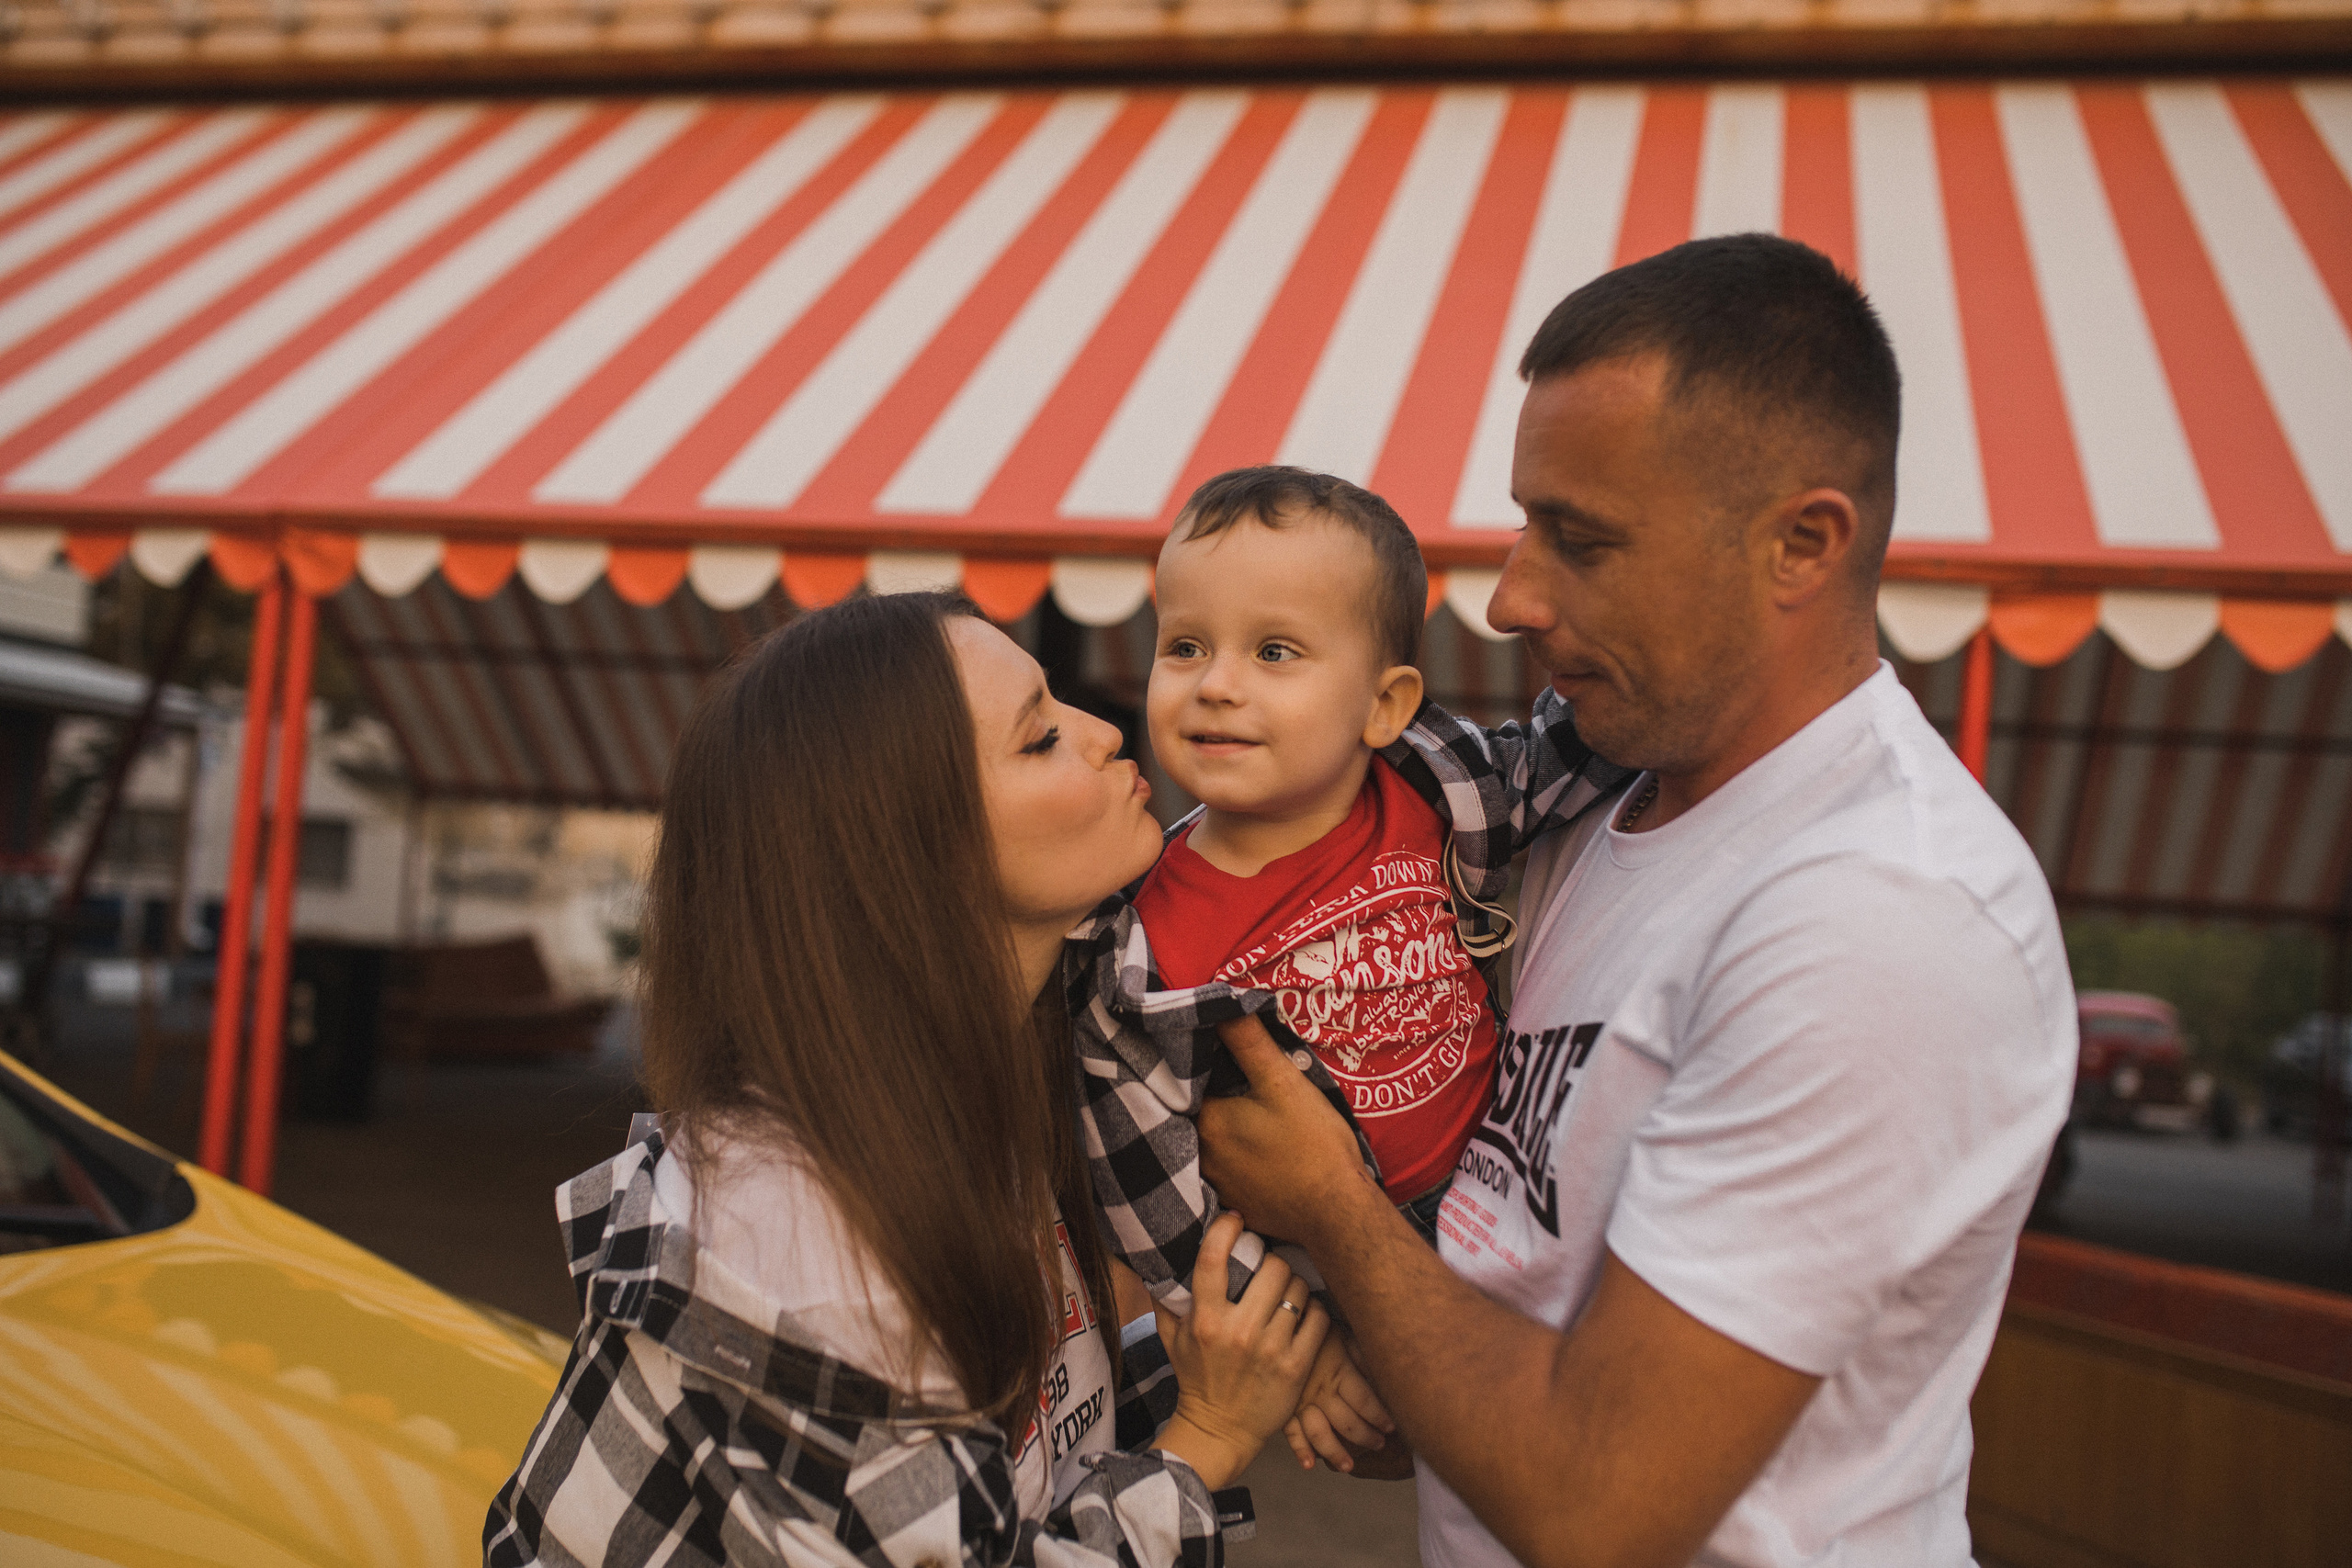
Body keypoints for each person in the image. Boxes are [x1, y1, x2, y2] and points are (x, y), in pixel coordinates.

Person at [1195, 233, 2077, 1568]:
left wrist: (1335, 1211)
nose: (1509, 595)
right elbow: (1509, 1297)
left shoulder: (1885, 915)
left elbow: (1599, 1504)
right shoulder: (1584, 809)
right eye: (1526, 518)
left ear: (1803, 543)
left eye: (1584, 539)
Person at [484, 592, 1330, 1568]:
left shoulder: (977, 1090)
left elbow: (1029, 1431)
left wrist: (1247, 1353)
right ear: (910, 854)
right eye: (1041, 738)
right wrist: (1207, 1438)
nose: (1108, 732)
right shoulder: (799, 1237)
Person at [1066, 467, 1626, 1470]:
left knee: (1592, 1425)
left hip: (1516, 1189)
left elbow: (1578, 748)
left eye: (1274, 651)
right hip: (1338, 1266)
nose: (1217, 681)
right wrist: (1308, 1352)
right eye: (1184, 645)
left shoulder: (1432, 788)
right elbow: (1152, 1195)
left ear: (1384, 705)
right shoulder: (1142, 953)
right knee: (1431, 1447)